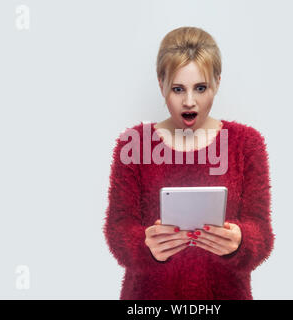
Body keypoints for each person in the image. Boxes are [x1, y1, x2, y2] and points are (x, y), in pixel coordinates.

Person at [103, 26, 275, 300]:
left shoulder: (246, 144)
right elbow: (117, 230)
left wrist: (240, 241)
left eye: (201, 88)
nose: (189, 102)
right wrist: (145, 245)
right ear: (161, 84)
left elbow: (262, 234)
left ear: (217, 83)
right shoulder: (133, 143)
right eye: (178, 89)